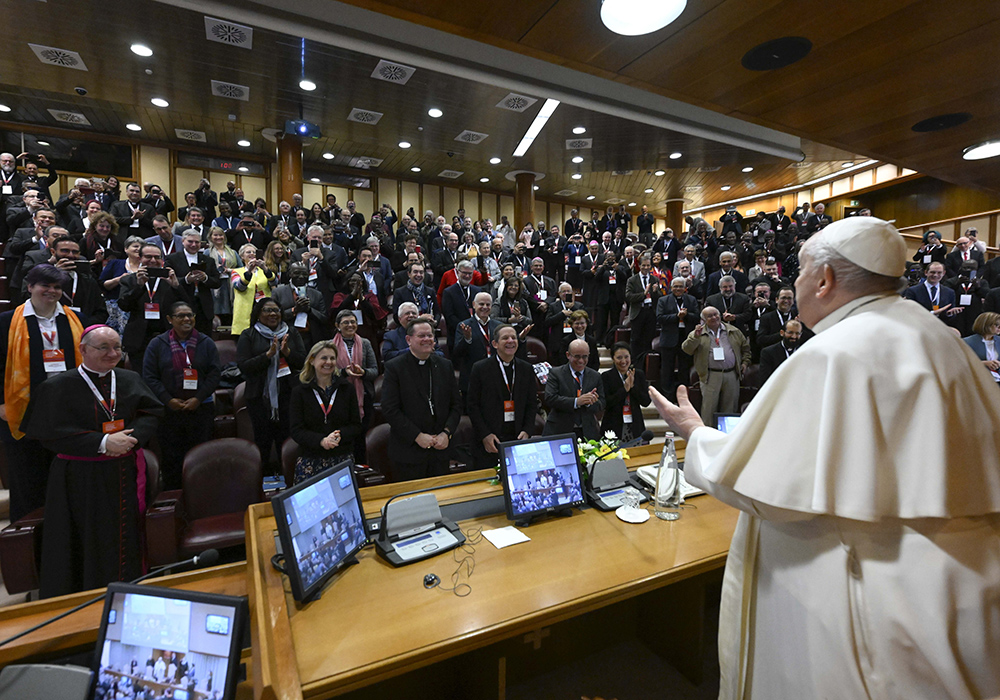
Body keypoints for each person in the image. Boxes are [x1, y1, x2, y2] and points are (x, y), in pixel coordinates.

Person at [649, 216, 1000, 700]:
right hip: (957, 593)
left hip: (866, 597)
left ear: (825, 279)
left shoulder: (835, 352)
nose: (793, 284)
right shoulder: (944, 341)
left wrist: (694, 432)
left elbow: (766, 484)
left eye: (799, 273)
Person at [22, 326, 161, 598]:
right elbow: (48, 435)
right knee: (82, 541)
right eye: (104, 348)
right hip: (79, 479)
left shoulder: (129, 378)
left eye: (118, 348)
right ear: (83, 349)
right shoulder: (57, 386)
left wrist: (132, 439)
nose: (113, 354)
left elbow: (152, 412)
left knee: (124, 538)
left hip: (124, 472)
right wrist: (102, 443)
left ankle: (129, 591)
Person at [0, 264, 85, 522]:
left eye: (57, 287)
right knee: (27, 481)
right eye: (45, 285)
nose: (51, 291)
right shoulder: (6, 322)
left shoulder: (74, 319)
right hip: (22, 409)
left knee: (64, 478)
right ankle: (27, 543)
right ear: (30, 287)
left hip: (65, 410)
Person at [142, 302, 222, 490]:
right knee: (172, 457)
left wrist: (198, 398)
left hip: (201, 407)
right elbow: (149, 376)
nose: (187, 319)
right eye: (181, 316)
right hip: (169, 410)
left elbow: (214, 374)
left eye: (190, 315)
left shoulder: (206, 342)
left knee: (201, 454)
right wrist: (168, 400)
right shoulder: (157, 344)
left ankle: (202, 491)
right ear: (170, 320)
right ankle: (175, 494)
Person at [380, 318, 462, 481]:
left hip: (440, 450)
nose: (427, 339)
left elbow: (456, 405)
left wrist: (447, 433)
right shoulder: (395, 367)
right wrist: (417, 436)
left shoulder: (445, 365)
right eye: (421, 336)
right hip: (409, 452)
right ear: (408, 340)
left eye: (430, 335)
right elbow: (390, 409)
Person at [236, 298, 306, 472]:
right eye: (267, 310)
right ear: (258, 314)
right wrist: (267, 356)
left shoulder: (291, 333)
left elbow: (304, 362)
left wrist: (287, 353)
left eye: (276, 310)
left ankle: (290, 478)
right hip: (259, 397)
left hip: (288, 395)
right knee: (263, 441)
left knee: (288, 440)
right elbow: (243, 366)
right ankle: (264, 481)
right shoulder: (248, 334)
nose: (273, 314)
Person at [289, 340, 362, 484]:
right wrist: (321, 441)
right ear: (312, 360)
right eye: (324, 358)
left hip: (341, 458)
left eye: (332, 358)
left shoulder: (346, 388)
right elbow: (296, 430)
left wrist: (339, 436)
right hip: (310, 460)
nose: (328, 362)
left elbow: (356, 425)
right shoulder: (299, 392)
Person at [465, 324, 537, 470]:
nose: (510, 341)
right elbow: (472, 405)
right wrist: (485, 435)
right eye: (505, 338)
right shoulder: (480, 368)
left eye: (514, 338)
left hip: (517, 437)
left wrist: (527, 430)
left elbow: (532, 403)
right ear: (495, 344)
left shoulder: (526, 368)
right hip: (490, 439)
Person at [118, 243, 190, 372]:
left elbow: (188, 308)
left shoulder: (170, 281)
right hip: (139, 339)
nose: (152, 260)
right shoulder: (129, 280)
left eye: (157, 257)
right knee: (140, 378)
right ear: (139, 258)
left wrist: (176, 287)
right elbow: (124, 305)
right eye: (148, 257)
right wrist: (139, 286)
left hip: (167, 337)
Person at [682, 306, 750, 424]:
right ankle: (707, 437)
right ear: (703, 320)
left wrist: (745, 363)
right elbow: (687, 349)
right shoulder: (698, 333)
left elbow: (746, 349)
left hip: (731, 375)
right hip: (710, 375)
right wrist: (696, 337)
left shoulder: (733, 331)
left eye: (715, 314)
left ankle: (727, 438)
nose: (714, 317)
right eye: (710, 316)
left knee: (730, 409)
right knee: (709, 409)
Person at [331, 310, 378, 462]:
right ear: (338, 326)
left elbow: (375, 371)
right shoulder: (330, 346)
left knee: (361, 435)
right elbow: (327, 373)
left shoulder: (365, 343)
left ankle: (361, 465)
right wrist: (344, 372)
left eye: (353, 322)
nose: (350, 325)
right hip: (340, 396)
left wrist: (363, 372)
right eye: (346, 323)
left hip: (363, 396)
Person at [543, 338, 605, 439]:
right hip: (560, 430)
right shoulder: (556, 373)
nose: (581, 360)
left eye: (585, 356)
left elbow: (602, 403)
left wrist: (590, 402)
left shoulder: (595, 376)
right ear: (568, 355)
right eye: (577, 356)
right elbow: (550, 398)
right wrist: (576, 402)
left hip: (587, 432)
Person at [167, 230, 222, 334]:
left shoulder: (208, 260)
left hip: (204, 307)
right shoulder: (172, 258)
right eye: (190, 241)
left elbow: (217, 282)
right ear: (183, 241)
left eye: (197, 242)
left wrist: (205, 278)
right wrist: (186, 280)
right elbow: (168, 280)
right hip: (182, 303)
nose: (194, 245)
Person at [657, 277, 699, 397]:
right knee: (667, 370)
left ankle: (683, 395)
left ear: (685, 288)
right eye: (675, 286)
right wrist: (677, 316)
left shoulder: (691, 300)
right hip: (669, 339)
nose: (678, 289)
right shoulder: (663, 300)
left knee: (684, 369)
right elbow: (660, 318)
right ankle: (668, 397)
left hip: (686, 338)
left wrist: (685, 316)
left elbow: (697, 316)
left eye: (680, 286)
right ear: (671, 288)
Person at [271, 262, 329, 349]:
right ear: (290, 274)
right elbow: (273, 317)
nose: (301, 276)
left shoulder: (317, 294)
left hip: (311, 338)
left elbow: (324, 318)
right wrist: (295, 310)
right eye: (297, 273)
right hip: (287, 337)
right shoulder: (278, 292)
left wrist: (309, 310)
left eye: (304, 273)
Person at [454, 292, 502, 397]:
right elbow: (457, 353)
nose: (485, 307)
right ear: (474, 305)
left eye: (488, 304)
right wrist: (467, 339)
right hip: (472, 377)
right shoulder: (463, 325)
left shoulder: (499, 326)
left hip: (495, 376)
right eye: (481, 304)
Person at [99, 235, 144, 335]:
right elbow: (103, 284)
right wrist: (119, 279)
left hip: (138, 306)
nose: (138, 249)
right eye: (135, 246)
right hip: (115, 306)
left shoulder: (146, 266)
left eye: (141, 247)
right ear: (126, 249)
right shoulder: (115, 263)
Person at [625, 254, 664, 369]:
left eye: (648, 265)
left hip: (650, 312)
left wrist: (656, 292)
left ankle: (645, 364)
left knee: (648, 340)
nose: (646, 268)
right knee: (636, 339)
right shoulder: (632, 280)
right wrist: (643, 294)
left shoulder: (654, 279)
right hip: (638, 313)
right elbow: (628, 296)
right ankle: (635, 364)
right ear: (639, 266)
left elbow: (660, 296)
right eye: (644, 265)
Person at [231, 243, 275, 337]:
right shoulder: (236, 272)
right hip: (245, 309)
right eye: (248, 252)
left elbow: (274, 282)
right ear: (242, 256)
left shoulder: (265, 271)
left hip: (263, 307)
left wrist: (265, 269)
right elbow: (240, 287)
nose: (252, 254)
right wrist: (249, 272)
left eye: (254, 252)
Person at [206, 226, 239, 324]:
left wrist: (229, 270)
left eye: (220, 235)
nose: (218, 237)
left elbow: (241, 269)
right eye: (215, 235)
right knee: (216, 309)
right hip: (215, 285)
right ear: (210, 237)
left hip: (229, 284)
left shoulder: (233, 252)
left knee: (228, 308)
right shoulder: (207, 252)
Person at [757, 318, 802, 386]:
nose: (794, 336)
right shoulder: (768, 352)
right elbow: (765, 381)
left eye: (797, 333)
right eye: (790, 333)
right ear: (782, 333)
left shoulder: (803, 351)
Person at [963, 311, 1000, 386]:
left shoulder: (999, 340)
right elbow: (960, 363)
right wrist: (983, 363)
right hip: (976, 382)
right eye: (997, 325)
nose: (999, 328)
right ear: (986, 325)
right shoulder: (967, 342)